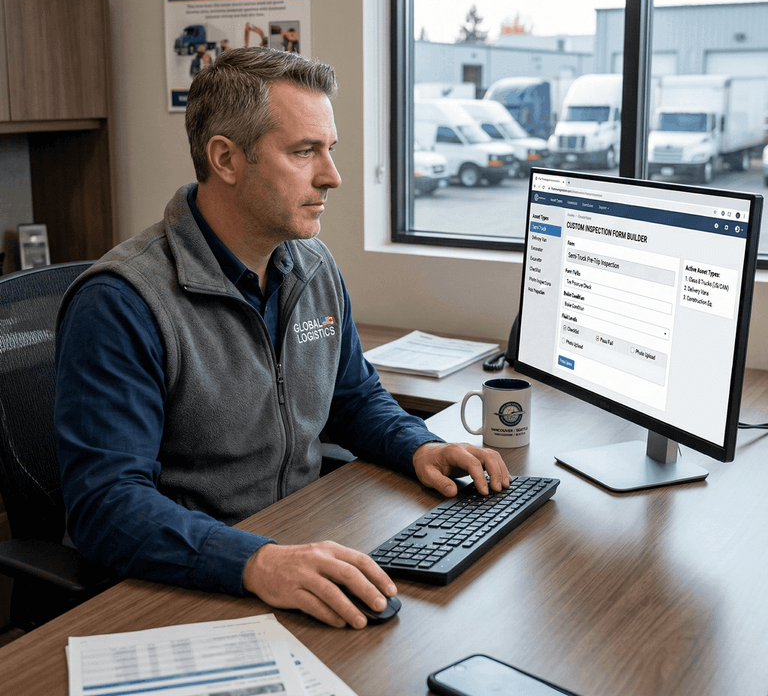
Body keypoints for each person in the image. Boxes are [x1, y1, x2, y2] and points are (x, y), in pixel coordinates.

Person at [54, 47, 510, 630]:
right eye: (304, 152)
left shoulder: (312, 267)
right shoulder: (122, 302)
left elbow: (354, 399)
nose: (333, 176)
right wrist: (259, 563)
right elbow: (106, 507)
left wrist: (417, 446)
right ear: (226, 158)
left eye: (330, 150)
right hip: (182, 579)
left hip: (293, 545)